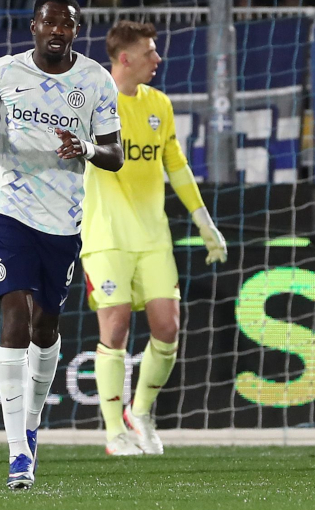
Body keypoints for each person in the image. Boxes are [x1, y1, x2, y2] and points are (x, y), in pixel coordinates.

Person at [0, 0, 124, 490]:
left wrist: (83, 146)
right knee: (14, 314)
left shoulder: (96, 82)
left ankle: (31, 424)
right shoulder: (5, 72)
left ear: (77, 32)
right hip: (8, 205)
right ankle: (18, 453)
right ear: (33, 26)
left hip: (63, 217)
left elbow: (114, 155)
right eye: (49, 22)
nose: (58, 30)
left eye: (68, 24)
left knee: (46, 326)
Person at [82, 22, 227, 456]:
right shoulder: (92, 102)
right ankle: (113, 433)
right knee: (116, 326)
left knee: (168, 328)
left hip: (153, 238)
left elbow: (177, 168)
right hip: (105, 237)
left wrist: (204, 223)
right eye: (150, 52)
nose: (157, 59)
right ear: (124, 58)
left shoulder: (159, 105)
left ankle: (139, 411)